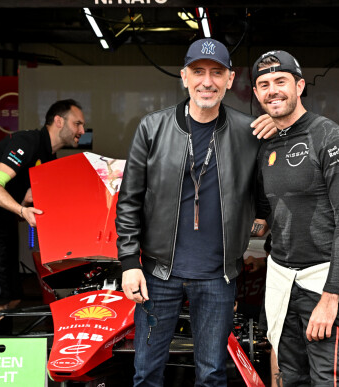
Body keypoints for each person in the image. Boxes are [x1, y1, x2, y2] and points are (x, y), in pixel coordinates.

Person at [115, 38, 274, 387]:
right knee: (146, 373)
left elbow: (268, 195)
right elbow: (129, 200)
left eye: (217, 73)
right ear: (184, 76)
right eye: (198, 72)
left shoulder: (250, 133)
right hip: (157, 274)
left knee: (212, 374)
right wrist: (128, 263)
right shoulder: (152, 128)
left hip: (219, 275)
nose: (207, 81)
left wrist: (279, 130)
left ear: (230, 80)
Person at [252, 51, 339, 386]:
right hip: (281, 282)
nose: (272, 90)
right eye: (263, 84)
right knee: (292, 377)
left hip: (323, 283)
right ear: (256, 93)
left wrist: (329, 297)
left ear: (300, 86)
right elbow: (265, 211)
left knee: (330, 379)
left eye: (281, 81)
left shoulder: (331, 139)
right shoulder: (265, 145)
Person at [0, 99, 86, 313]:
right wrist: (22, 209)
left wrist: (24, 204)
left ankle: (7, 344)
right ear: (58, 121)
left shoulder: (48, 157)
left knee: (13, 299)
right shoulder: (28, 141)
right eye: (77, 124)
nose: (82, 130)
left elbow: (23, 208)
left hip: (2, 223)